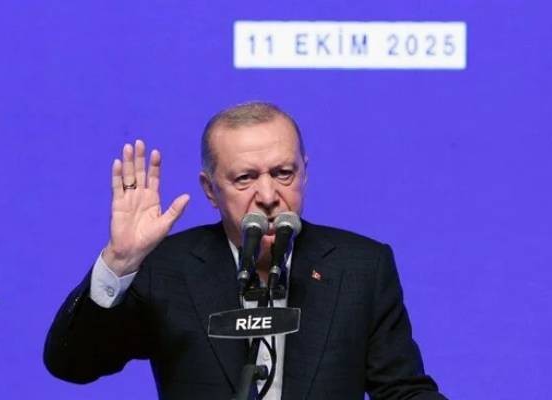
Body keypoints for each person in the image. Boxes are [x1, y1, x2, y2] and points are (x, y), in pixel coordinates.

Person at [44, 102, 447, 399]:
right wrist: (120, 262)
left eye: (283, 173)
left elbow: (402, 390)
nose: (268, 195)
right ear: (210, 190)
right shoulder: (166, 268)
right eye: (244, 178)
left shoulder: (360, 267)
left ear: (304, 173)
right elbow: (72, 364)